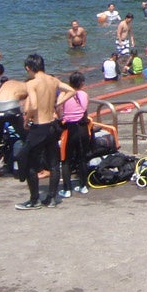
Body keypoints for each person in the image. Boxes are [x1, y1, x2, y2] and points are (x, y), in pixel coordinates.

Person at [16, 53, 75, 210]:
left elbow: (33, 105)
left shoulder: (32, 83)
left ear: (29, 68)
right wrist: (57, 103)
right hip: (52, 125)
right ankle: (52, 198)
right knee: (54, 163)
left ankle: (34, 199)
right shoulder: (53, 80)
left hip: (39, 126)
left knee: (29, 161)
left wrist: (27, 119)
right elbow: (71, 90)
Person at [59, 71, 90, 199]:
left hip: (69, 128)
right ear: (82, 83)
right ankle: (83, 186)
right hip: (82, 128)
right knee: (82, 157)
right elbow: (83, 110)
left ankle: (67, 189)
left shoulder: (63, 94)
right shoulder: (84, 94)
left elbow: (59, 109)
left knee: (66, 159)